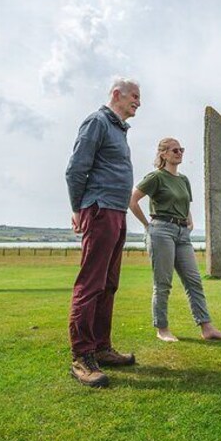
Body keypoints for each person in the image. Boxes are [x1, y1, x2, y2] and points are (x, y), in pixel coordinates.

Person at [65, 77, 141, 388]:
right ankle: (82, 356)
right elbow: (75, 168)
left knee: (109, 284)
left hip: (116, 212)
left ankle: (101, 347)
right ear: (116, 94)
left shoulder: (119, 130)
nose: (139, 102)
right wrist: (79, 208)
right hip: (98, 209)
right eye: (134, 96)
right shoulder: (97, 121)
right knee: (91, 283)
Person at [129, 138, 221, 342]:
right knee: (163, 283)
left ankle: (207, 328)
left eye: (181, 149)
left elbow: (186, 204)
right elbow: (132, 201)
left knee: (194, 281)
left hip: (182, 234)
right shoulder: (156, 177)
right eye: (175, 150)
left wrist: (190, 222)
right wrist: (147, 226)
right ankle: (162, 329)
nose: (179, 153)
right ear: (163, 154)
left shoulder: (183, 180)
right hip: (161, 231)